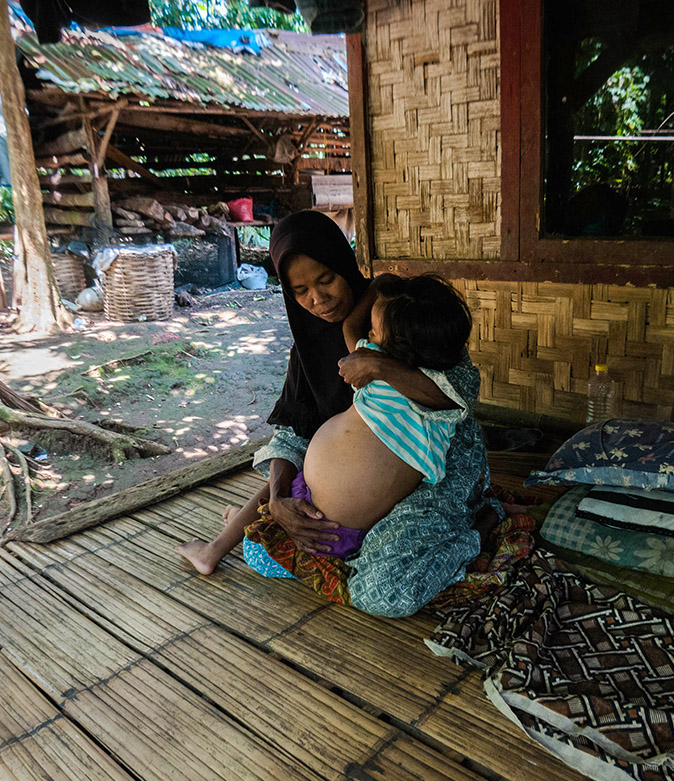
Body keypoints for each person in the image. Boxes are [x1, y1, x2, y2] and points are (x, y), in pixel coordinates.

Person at [178, 210, 493, 617]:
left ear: (345, 265)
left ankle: (471, 529)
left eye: (326, 279)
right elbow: (294, 433)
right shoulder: (312, 349)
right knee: (263, 548)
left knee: (382, 587)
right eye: (300, 291)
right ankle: (223, 544)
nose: (318, 299)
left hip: (429, 485)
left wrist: (380, 366)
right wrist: (276, 501)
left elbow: (458, 394)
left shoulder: (410, 322)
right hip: (333, 503)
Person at [182, 274, 473, 568]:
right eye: (300, 289)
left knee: (261, 552)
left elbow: (349, 326)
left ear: (398, 346)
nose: (317, 299)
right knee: (272, 509)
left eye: (372, 331)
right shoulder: (374, 365)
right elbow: (353, 330)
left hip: (334, 531)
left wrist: (377, 286)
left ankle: (234, 532)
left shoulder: (432, 395)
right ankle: (239, 525)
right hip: (305, 490)